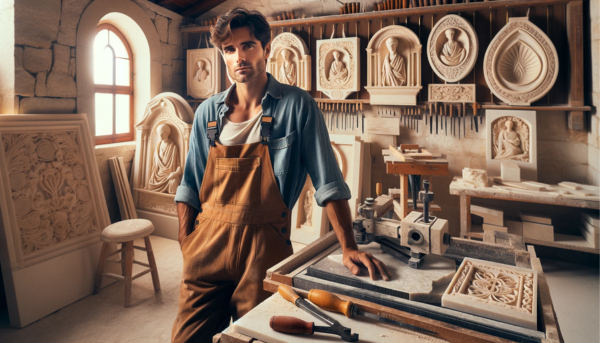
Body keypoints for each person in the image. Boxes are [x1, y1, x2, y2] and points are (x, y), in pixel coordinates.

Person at [171, 7, 389, 343]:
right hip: (206, 247)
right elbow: (189, 186)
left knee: (258, 337)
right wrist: (187, 243)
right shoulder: (206, 114)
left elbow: (328, 181)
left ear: (266, 49)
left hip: (263, 251)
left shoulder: (297, 106)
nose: (239, 56)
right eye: (229, 49)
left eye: (247, 46)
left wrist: (348, 247)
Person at [146, 123, 181, 194]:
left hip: (168, 176)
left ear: (167, 133)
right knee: (150, 185)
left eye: (162, 133)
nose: (160, 135)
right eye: (158, 133)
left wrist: (176, 173)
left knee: (173, 185)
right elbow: (155, 165)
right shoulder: (158, 146)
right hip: (157, 175)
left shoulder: (173, 147)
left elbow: (178, 165)